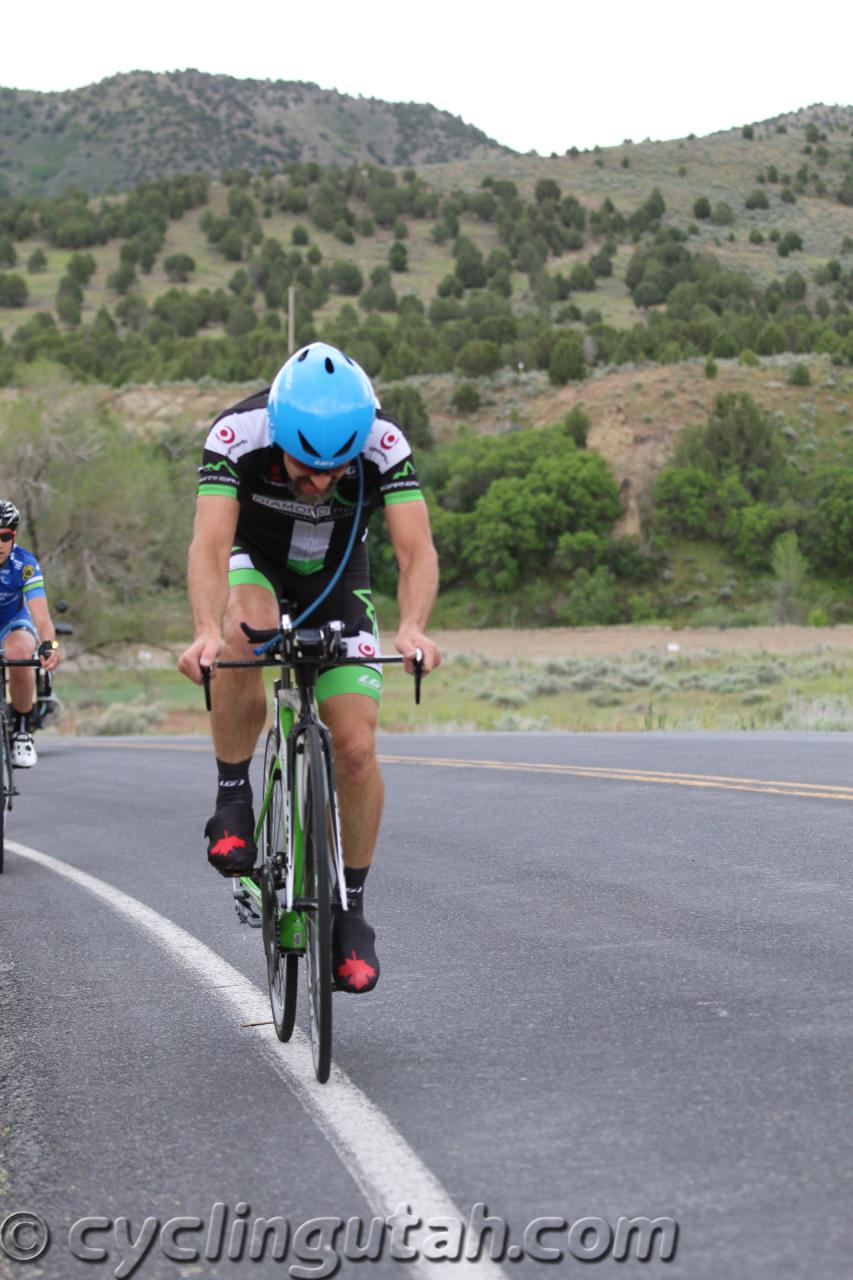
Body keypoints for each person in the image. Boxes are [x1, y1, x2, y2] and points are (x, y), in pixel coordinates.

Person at [178, 343, 440, 993]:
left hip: (339, 579)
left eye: (335, 470)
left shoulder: (383, 443)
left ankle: (350, 911)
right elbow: (209, 544)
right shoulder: (237, 433)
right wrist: (205, 632)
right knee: (242, 629)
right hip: (256, 565)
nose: (321, 482)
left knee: (353, 745)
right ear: (280, 435)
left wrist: (412, 628)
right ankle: (233, 799)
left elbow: (416, 550)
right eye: (305, 466)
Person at [0, 500, 61, 768]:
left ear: (13, 537)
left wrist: (49, 645)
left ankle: (22, 731)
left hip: (13, 621)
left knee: (21, 654)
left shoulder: (24, 564)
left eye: (5, 536)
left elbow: (42, 617)